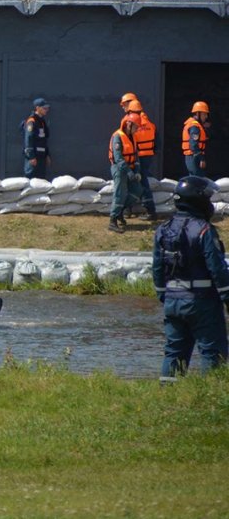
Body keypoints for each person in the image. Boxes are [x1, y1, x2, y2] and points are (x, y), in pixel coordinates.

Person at [152, 176, 229, 379]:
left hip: (173, 300)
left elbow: (157, 268)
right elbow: (217, 268)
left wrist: (164, 295)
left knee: (174, 353)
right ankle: (209, 399)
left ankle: (167, 397)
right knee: (213, 352)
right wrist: (227, 296)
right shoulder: (204, 229)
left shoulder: (163, 229)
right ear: (199, 200)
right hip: (202, 301)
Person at [121, 95, 158, 220]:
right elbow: (157, 138)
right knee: (142, 181)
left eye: (124, 104)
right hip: (147, 156)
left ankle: (133, 209)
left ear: (130, 105)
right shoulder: (148, 122)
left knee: (133, 181)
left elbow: (124, 138)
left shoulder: (129, 121)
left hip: (135, 157)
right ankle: (140, 209)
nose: (122, 107)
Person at [108, 112, 142, 233]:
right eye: (136, 126)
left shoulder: (134, 137)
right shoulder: (118, 136)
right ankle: (113, 221)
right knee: (120, 193)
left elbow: (136, 157)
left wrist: (136, 171)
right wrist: (129, 172)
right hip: (119, 168)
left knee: (137, 191)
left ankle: (120, 211)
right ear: (129, 124)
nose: (137, 129)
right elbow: (118, 158)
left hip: (131, 168)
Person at [22, 97, 51, 179]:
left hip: (41, 157)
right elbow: (28, 139)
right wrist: (31, 156)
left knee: (41, 181)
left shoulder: (42, 121)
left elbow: (44, 140)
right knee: (30, 179)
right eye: (44, 108)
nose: (46, 110)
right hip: (33, 157)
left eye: (47, 108)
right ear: (37, 108)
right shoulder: (32, 121)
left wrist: (47, 155)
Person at [182, 101, 210, 178]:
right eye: (204, 114)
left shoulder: (195, 125)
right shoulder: (194, 126)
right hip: (194, 156)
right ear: (198, 114)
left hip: (193, 156)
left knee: (195, 178)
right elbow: (193, 144)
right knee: (198, 178)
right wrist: (201, 159)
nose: (206, 116)